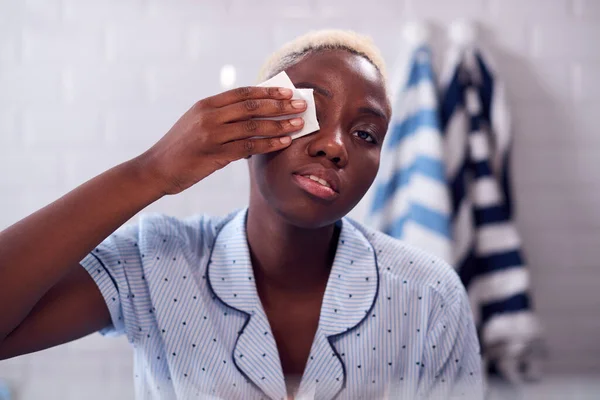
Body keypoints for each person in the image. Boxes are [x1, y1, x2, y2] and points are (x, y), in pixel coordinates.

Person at [0, 30, 482, 399]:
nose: (335, 146)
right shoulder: (156, 262)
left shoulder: (429, 297)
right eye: (310, 110)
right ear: (250, 123)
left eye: (365, 135)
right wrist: (150, 172)